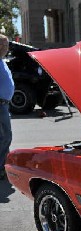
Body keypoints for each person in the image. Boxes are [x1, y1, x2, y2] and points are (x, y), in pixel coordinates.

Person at [0, 34, 14, 180]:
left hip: (4, 105)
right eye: (5, 45)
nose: (7, 48)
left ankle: (4, 165)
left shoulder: (2, 61)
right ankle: (1, 168)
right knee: (5, 137)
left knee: (3, 137)